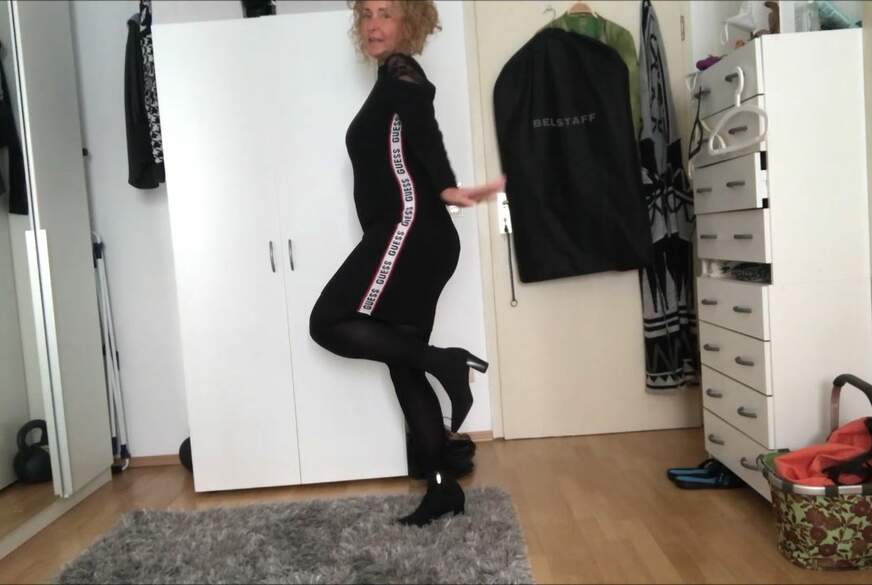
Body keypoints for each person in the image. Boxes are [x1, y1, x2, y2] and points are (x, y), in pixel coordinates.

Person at [309, 0, 504, 526]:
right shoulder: (387, 78)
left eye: (387, 14)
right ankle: (441, 487)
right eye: (367, 14)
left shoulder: (402, 74)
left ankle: (446, 363)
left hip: (409, 229)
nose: (374, 24)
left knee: (326, 322)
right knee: (403, 360)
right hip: (418, 236)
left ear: (408, 22)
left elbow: (422, 121)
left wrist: (445, 185)